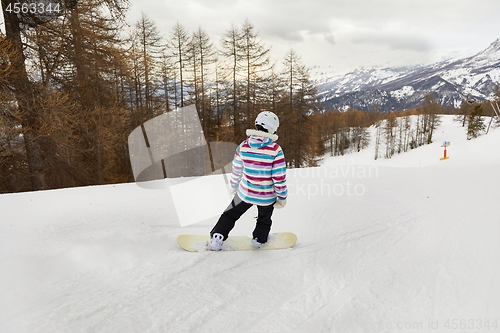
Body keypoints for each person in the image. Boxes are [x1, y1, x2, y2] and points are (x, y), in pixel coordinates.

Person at [209, 111, 288, 250]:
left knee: (230, 214)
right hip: (266, 196)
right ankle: (259, 240)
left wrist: (233, 185)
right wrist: (282, 197)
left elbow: (236, 169)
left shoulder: (244, 146)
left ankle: (218, 236)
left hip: (245, 193)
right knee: (264, 219)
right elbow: (279, 177)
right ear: (273, 129)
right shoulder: (276, 150)